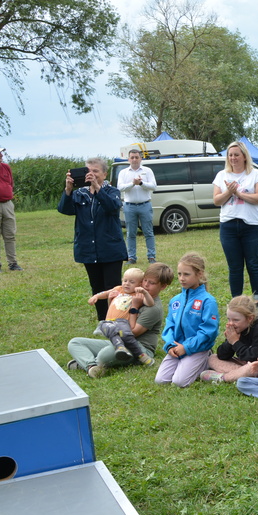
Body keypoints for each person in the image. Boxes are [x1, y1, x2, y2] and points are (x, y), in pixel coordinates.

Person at [67, 262, 172, 378]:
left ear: (163, 286)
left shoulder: (153, 308)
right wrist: (111, 301)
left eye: (151, 283)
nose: (146, 285)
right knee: (75, 342)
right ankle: (91, 367)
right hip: (119, 342)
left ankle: (84, 363)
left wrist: (134, 307)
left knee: (104, 355)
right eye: (145, 280)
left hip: (139, 347)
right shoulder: (132, 295)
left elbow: (131, 333)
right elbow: (117, 317)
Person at [58, 157, 128, 321]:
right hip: (89, 250)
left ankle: (116, 320)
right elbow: (65, 210)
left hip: (110, 249)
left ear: (104, 174)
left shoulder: (112, 191)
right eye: (89, 171)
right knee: (96, 288)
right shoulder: (79, 193)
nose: (92, 174)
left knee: (113, 289)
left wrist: (97, 188)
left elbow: (112, 207)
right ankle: (103, 321)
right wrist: (68, 190)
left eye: (95, 171)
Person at [155, 253, 220, 388]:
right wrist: (170, 344)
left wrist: (187, 347)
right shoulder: (175, 300)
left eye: (186, 274)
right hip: (176, 347)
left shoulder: (207, 301)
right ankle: (185, 363)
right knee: (161, 380)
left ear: (199, 274)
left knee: (179, 382)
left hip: (196, 348)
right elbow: (170, 324)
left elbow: (209, 331)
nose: (181, 278)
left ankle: (206, 358)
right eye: (179, 274)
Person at [213, 141, 258, 302]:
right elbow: (216, 200)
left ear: (244, 156)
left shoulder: (256, 174)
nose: (233, 158)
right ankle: (236, 301)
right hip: (228, 226)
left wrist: (239, 193)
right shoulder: (222, 175)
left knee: (253, 264)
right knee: (235, 267)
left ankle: (257, 300)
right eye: (230, 155)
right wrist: (229, 192)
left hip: (251, 226)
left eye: (236, 154)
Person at [88, 266, 156, 366]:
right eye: (125, 280)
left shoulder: (137, 295)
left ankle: (141, 356)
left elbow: (150, 303)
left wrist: (144, 292)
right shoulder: (118, 289)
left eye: (132, 282)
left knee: (127, 336)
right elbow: (106, 293)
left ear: (139, 284)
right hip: (108, 322)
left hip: (122, 322)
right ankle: (121, 348)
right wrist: (96, 296)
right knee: (111, 332)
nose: (127, 284)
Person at [199, 296, 258, 383]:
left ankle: (224, 378)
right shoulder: (239, 328)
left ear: (250, 318)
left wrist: (235, 342)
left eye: (236, 320)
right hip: (245, 365)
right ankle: (241, 374)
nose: (231, 323)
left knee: (251, 367)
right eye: (229, 319)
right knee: (212, 358)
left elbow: (255, 358)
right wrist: (230, 341)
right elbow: (222, 356)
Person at [117, 148, 157, 264]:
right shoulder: (123, 172)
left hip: (145, 204)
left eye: (136, 157)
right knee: (131, 233)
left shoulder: (147, 171)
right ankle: (131, 257)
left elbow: (153, 186)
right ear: (128, 159)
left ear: (141, 158)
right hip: (129, 206)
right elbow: (120, 188)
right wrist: (132, 184)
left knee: (148, 232)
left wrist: (141, 183)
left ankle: (151, 257)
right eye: (132, 157)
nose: (134, 160)